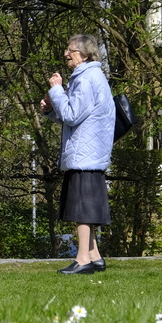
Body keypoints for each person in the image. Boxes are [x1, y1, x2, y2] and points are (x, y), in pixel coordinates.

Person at [39, 34, 116, 275]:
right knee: (85, 207)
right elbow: (72, 116)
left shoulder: (87, 78)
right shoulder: (91, 77)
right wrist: (52, 108)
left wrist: (56, 90)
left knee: (82, 209)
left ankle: (83, 259)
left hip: (85, 155)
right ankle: (94, 255)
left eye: (70, 50)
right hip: (88, 153)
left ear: (83, 54)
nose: (65, 54)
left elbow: (72, 115)